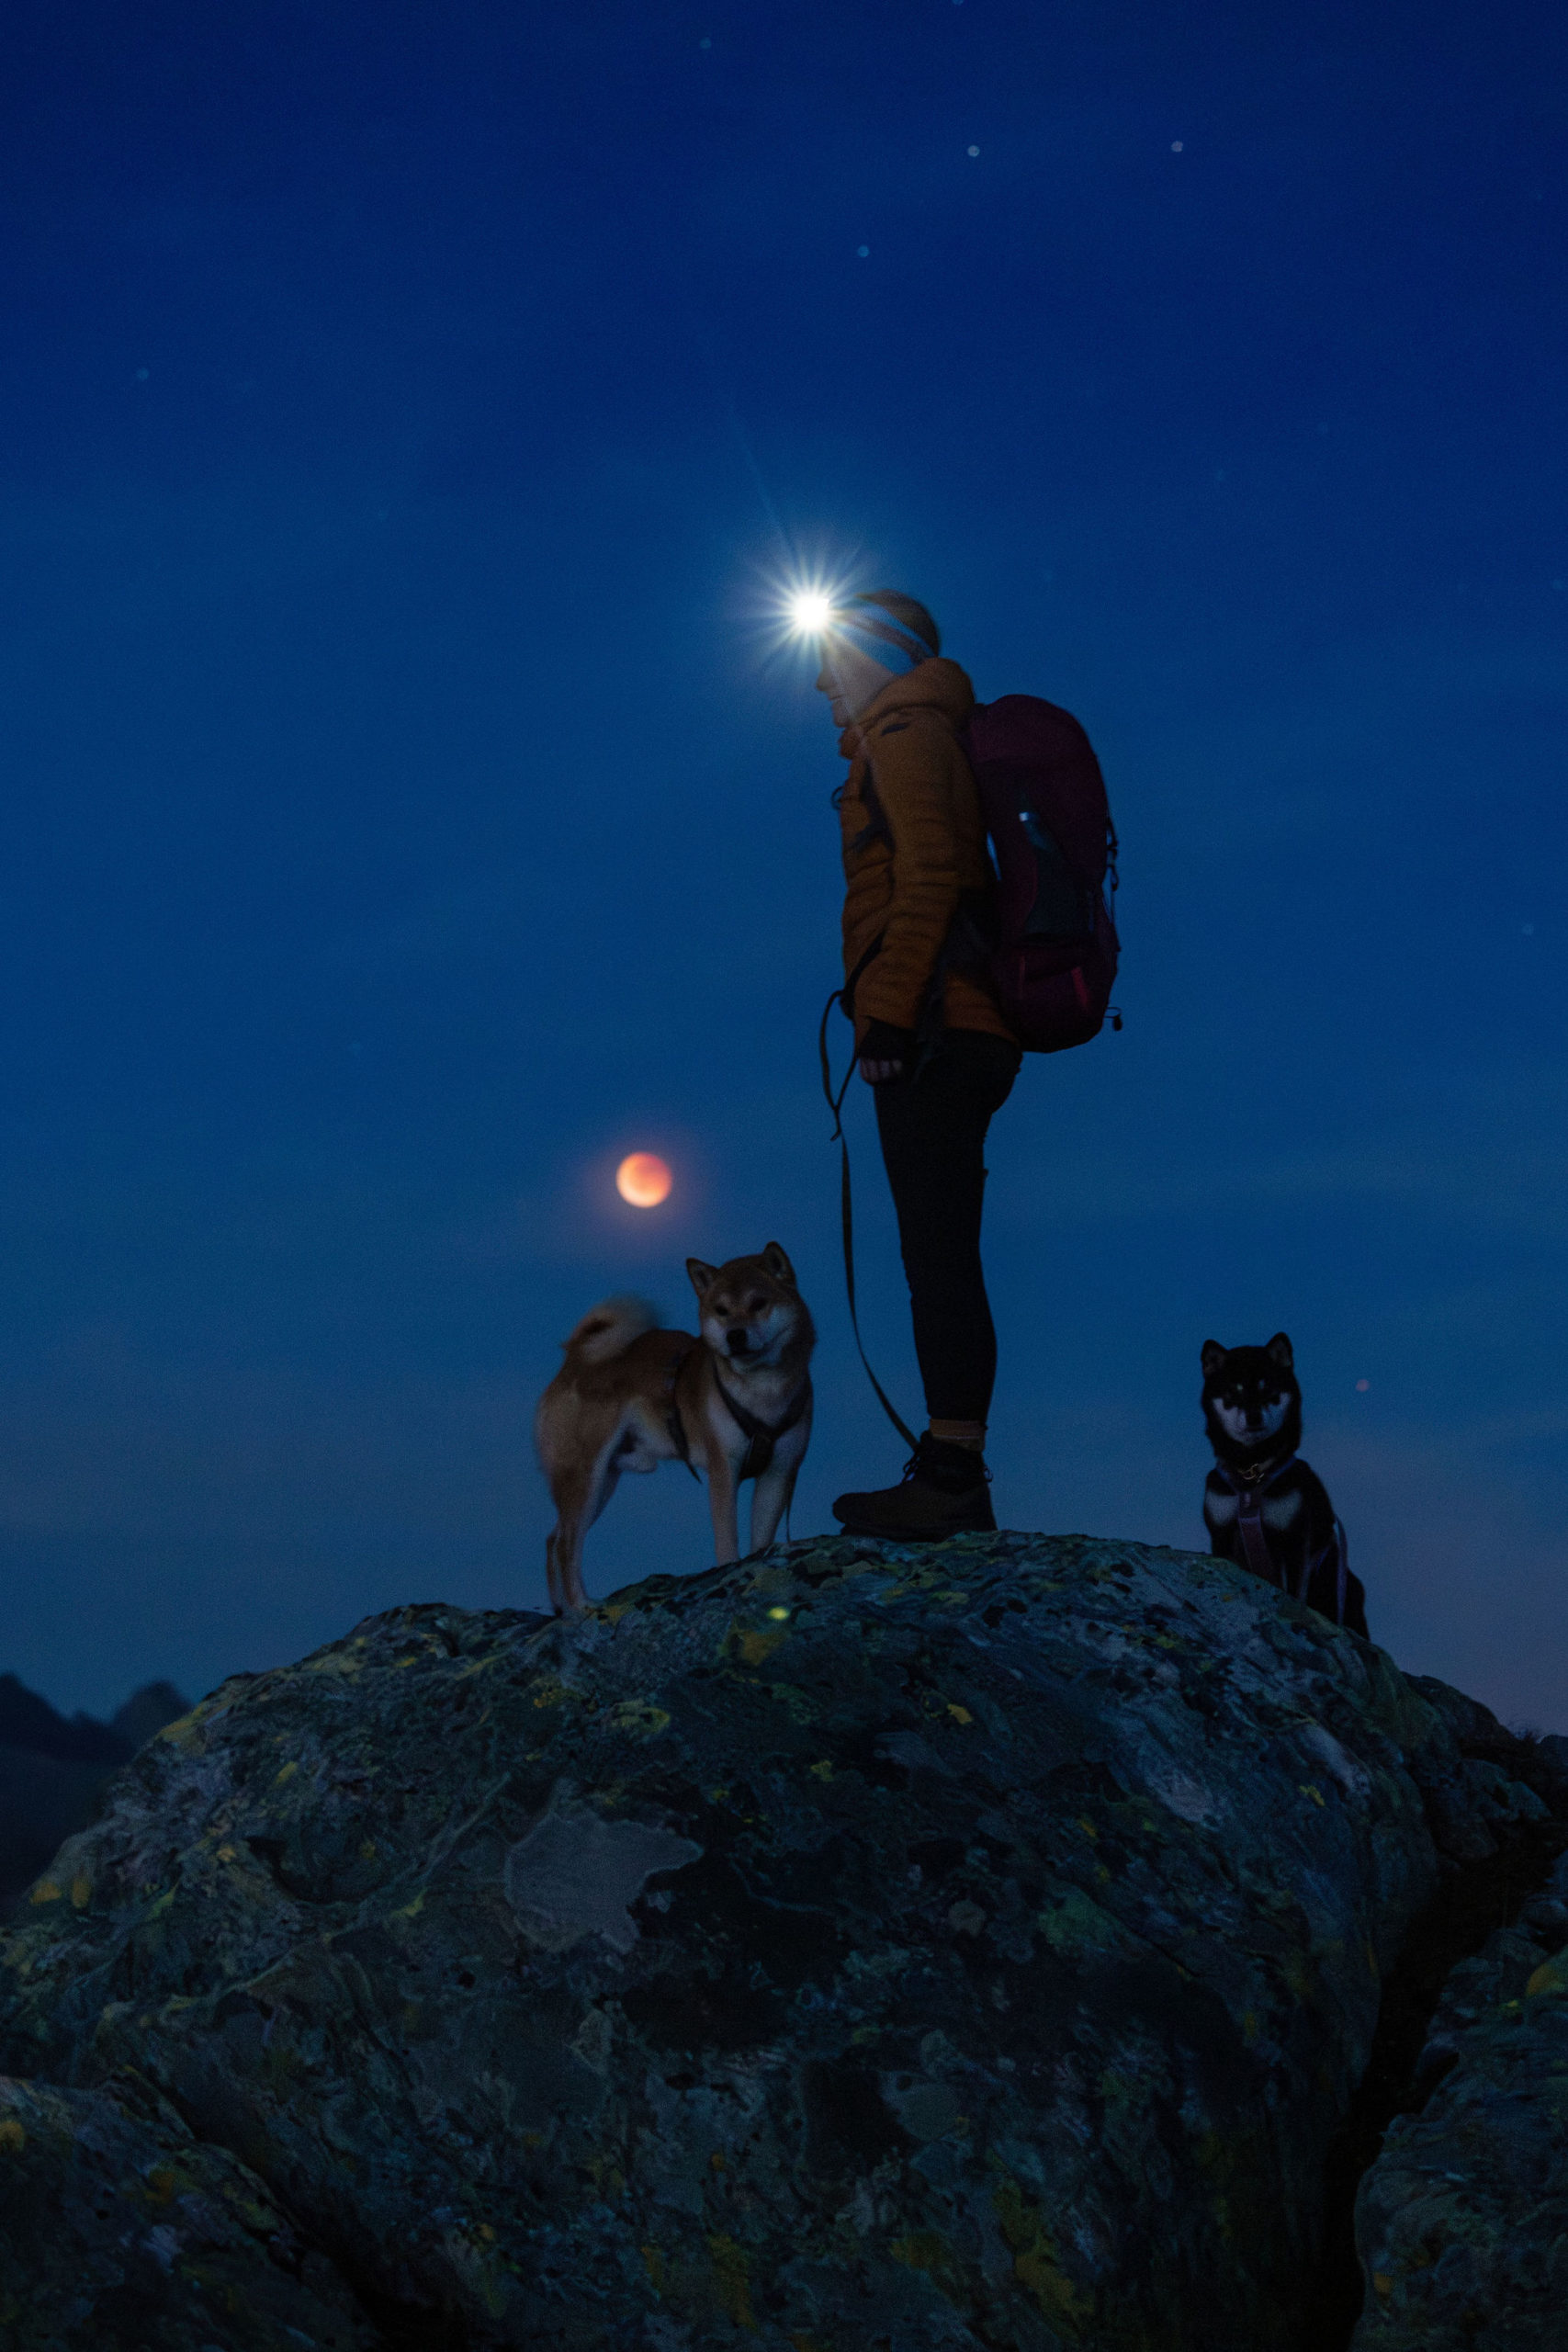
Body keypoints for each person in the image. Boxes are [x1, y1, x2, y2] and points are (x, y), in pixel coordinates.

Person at [817, 591, 1021, 1539]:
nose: (821, 679)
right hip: (957, 1023)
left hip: (939, 1028)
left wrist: (889, 1016)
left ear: (873, 657)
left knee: (937, 1258)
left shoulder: (902, 730)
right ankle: (952, 1469)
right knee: (942, 1254)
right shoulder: (916, 730)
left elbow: (933, 872)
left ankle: (951, 1479)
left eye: (831, 657)